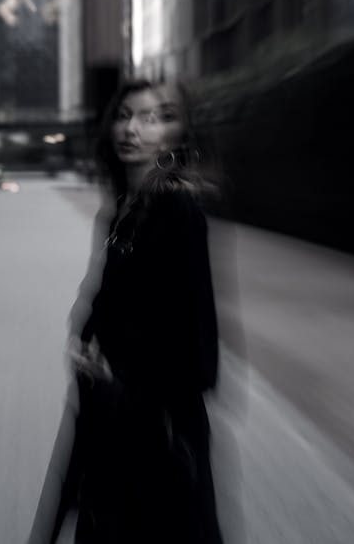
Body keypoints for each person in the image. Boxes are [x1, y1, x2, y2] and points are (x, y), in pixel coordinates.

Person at [32, 79, 223, 544]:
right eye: (124, 114)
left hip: (154, 437)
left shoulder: (180, 213)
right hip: (108, 426)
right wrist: (85, 341)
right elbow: (113, 300)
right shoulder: (120, 211)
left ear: (175, 135)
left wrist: (122, 377)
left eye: (153, 118)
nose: (132, 128)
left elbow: (201, 355)